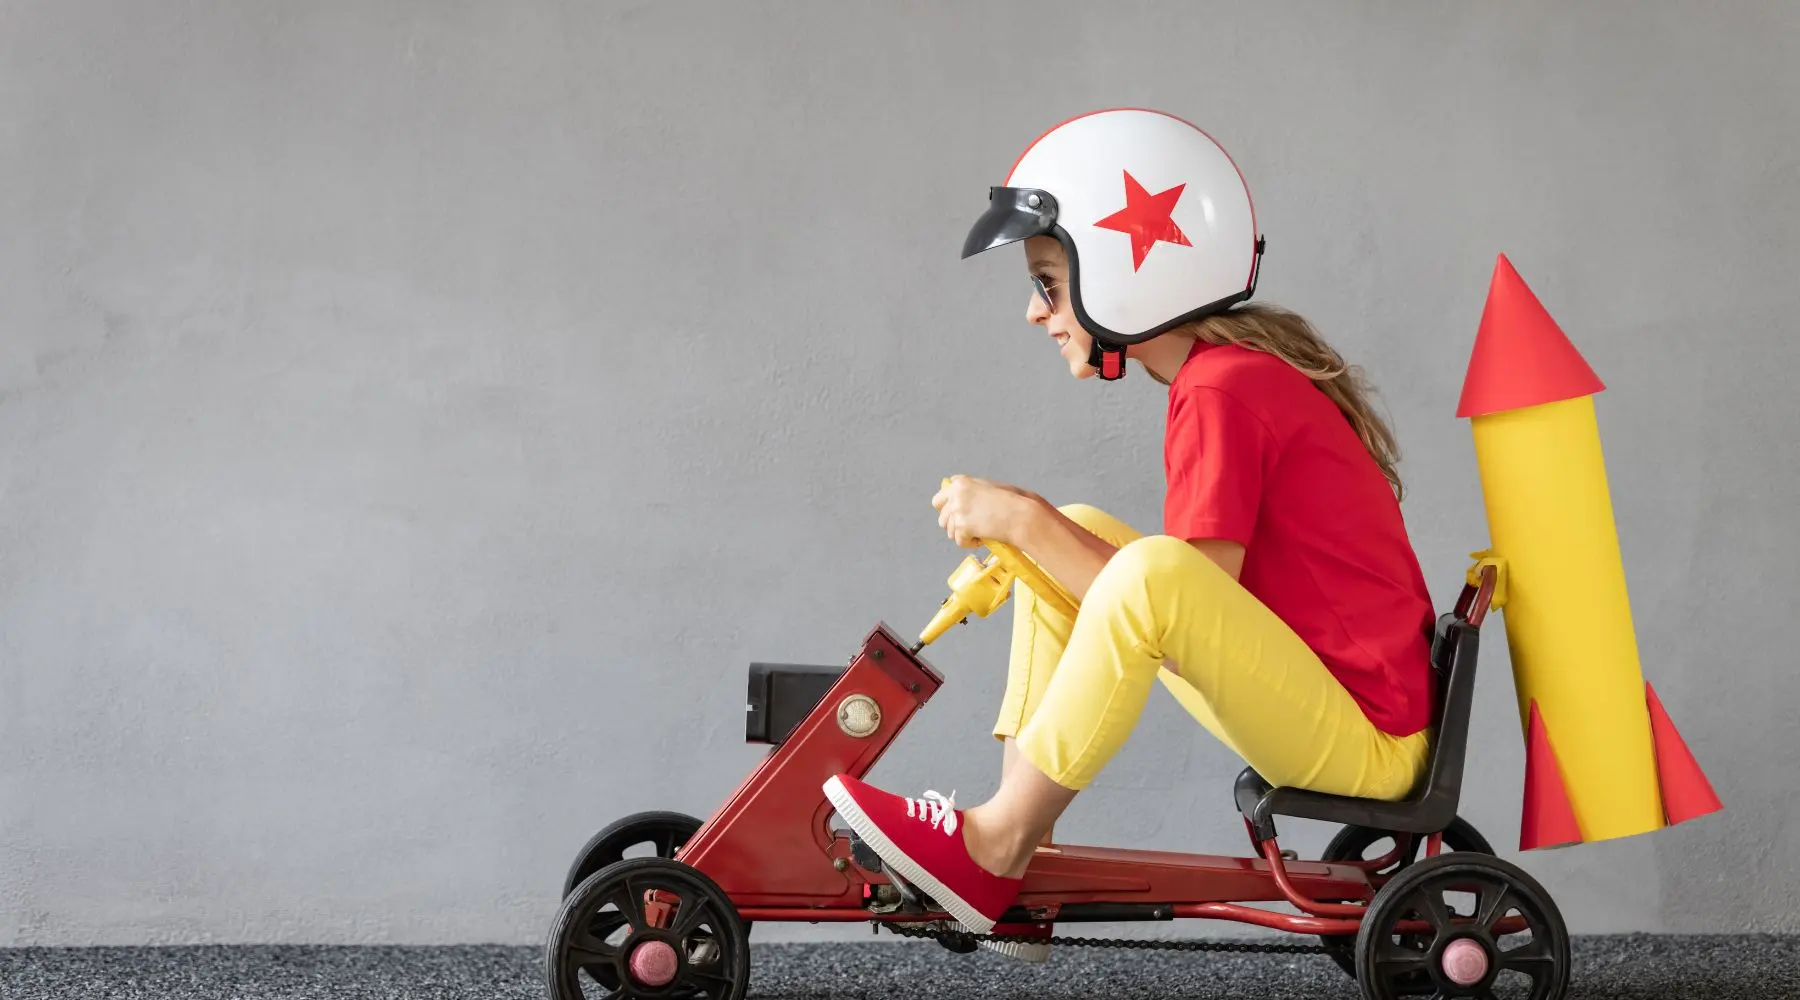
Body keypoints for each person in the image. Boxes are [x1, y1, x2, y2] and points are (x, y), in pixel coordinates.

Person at [822, 108, 1438, 962]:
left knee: (1138, 567)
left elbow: (1181, 602)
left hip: (1366, 738)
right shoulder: (1223, 380)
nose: (1034, 313)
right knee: (1078, 534)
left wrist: (1021, 518)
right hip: (1340, 709)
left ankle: (997, 842)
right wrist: (1038, 532)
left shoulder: (1222, 390)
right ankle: (1018, 845)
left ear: (1121, 277)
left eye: (1048, 283)